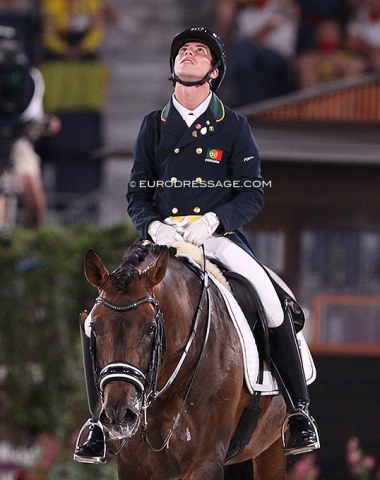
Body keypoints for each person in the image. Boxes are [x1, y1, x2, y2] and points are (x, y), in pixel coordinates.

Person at [73, 26, 320, 463]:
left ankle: (298, 412)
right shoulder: (154, 125)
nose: (188, 53)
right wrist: (154, 227)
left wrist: (215, 219)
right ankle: (97, 421)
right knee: (101, 314)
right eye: (182, 50)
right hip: (161, 240)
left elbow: (252, 192)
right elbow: (137, 194)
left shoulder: (234, 127)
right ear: (173, 69)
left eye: (198, 51)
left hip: (216, 238)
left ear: (214, 71)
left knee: (270, 299)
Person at [0, 25, 58, 230]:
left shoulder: (30, 76)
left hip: (18, 139)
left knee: (32, 186)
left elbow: (32, 116)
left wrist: (44, 124)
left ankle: (35, 238)